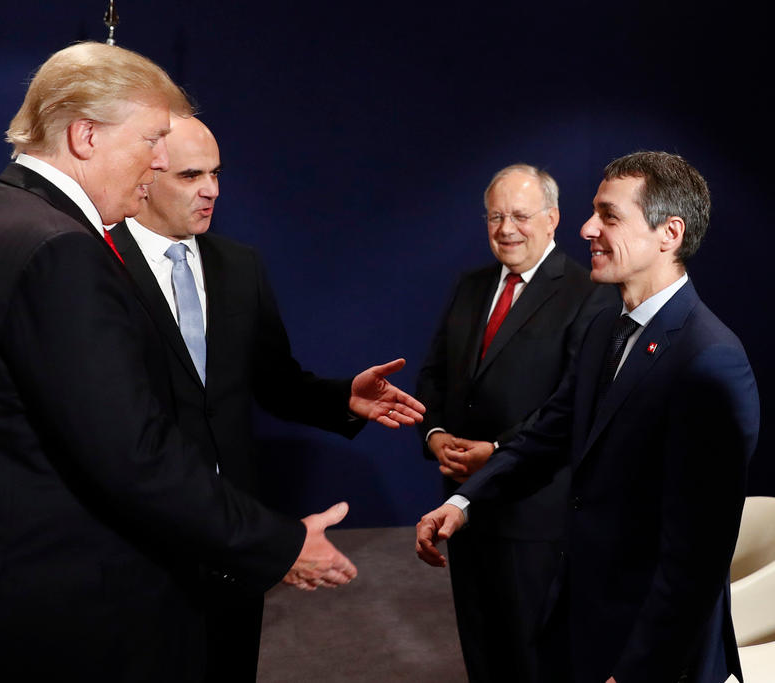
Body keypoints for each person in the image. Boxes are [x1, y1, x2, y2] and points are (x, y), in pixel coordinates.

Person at [0, 42, 359, 683]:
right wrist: (280, 544)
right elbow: (131, 454)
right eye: (150, 141)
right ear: (86, 135)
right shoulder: (60, 249)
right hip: (54, 613)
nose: (154, 167)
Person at [416, 151, 760, 683]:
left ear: (669, 233)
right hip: (582, 622)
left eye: (608, 215)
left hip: (650, 653)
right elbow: (548, 433)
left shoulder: (710, 359)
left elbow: (695, 560)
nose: (586, 227)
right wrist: (465, 501)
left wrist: (636, 670)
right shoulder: (607, 328)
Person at [108, 115, 426, 681]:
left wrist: (343, 399)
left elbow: (274, 381)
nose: (212, 190)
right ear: (147, 176)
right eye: (191, 175)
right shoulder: (95, 261)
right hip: (138, 537)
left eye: (215, 173)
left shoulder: (240, 266)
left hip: (232, 531)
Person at [414, 164, 615, 682]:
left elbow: (572, 404)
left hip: (535, 516)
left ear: (552, 220)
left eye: (521, 216)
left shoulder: (586, 291)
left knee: (535, 661)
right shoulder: (470, 284)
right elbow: (435, 374)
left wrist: (499, 450)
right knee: (482, 653)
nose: (506, 229)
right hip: (464, 508)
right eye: (496, 216)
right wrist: (435, 435)